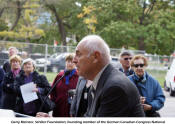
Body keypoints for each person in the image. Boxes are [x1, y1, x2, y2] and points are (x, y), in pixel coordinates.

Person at [73, 35, 145, 117]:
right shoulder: (100, 83)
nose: (74, 60)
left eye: (78, 55)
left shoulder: (115, 88)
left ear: (96, 57)